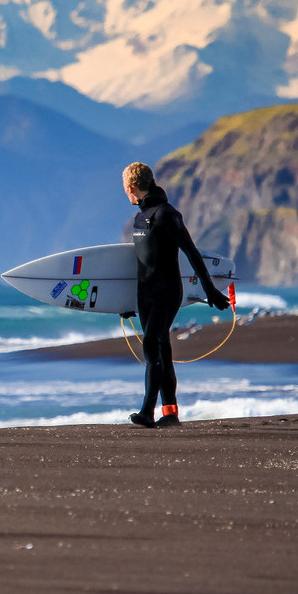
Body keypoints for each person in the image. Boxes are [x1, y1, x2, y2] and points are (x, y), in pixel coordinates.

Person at [123, 162, 230, 428]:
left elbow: (191, 252)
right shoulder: (140, 217)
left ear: (130, 188)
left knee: (151, 343)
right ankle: (170, 413)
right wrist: (120, 302)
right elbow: (140, 262)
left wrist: (210, 290)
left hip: (166, 292)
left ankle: (147, 412)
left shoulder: (167, 215)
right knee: (161, 350)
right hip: (145, 293)